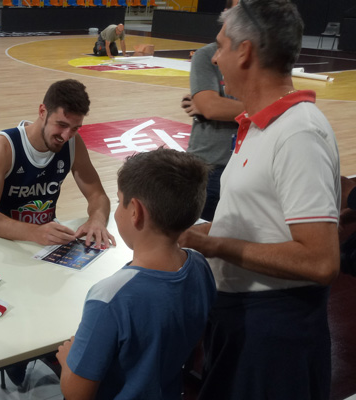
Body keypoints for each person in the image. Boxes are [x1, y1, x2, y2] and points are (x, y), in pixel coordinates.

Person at [179, 1, 340, 398]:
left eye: (220, 46)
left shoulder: (298, 133)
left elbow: (320, 261)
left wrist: (215, 243)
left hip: (276, 331)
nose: (214, 58)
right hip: (246, 320)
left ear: (245, 51)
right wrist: (206, 232)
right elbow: (264, 223)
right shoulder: (260, 125)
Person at [55, 148, 216, 399]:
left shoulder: (109, 297)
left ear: (136, 212)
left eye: (120, 201)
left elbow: (77, 393)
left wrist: (67, 362)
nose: (118, 209)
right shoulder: (199, 266)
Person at [0, 79, 115, 249]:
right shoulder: (3, 146)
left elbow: (97, 196)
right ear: (42, 111)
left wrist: (97, 219)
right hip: (1, 244)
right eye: (61, 125)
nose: (66, 135)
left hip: (42, 245)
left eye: (75, 128)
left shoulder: (73, 143)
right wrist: (34, 232)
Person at [180, 0, 243, 222]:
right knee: (203, 233)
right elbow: (212, 106)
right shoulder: (206, 56)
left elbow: (212, 106)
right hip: (208, 164)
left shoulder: (263, 64)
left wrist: (213, 106)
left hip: (245, 164)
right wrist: (209, 106)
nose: (217, 57)